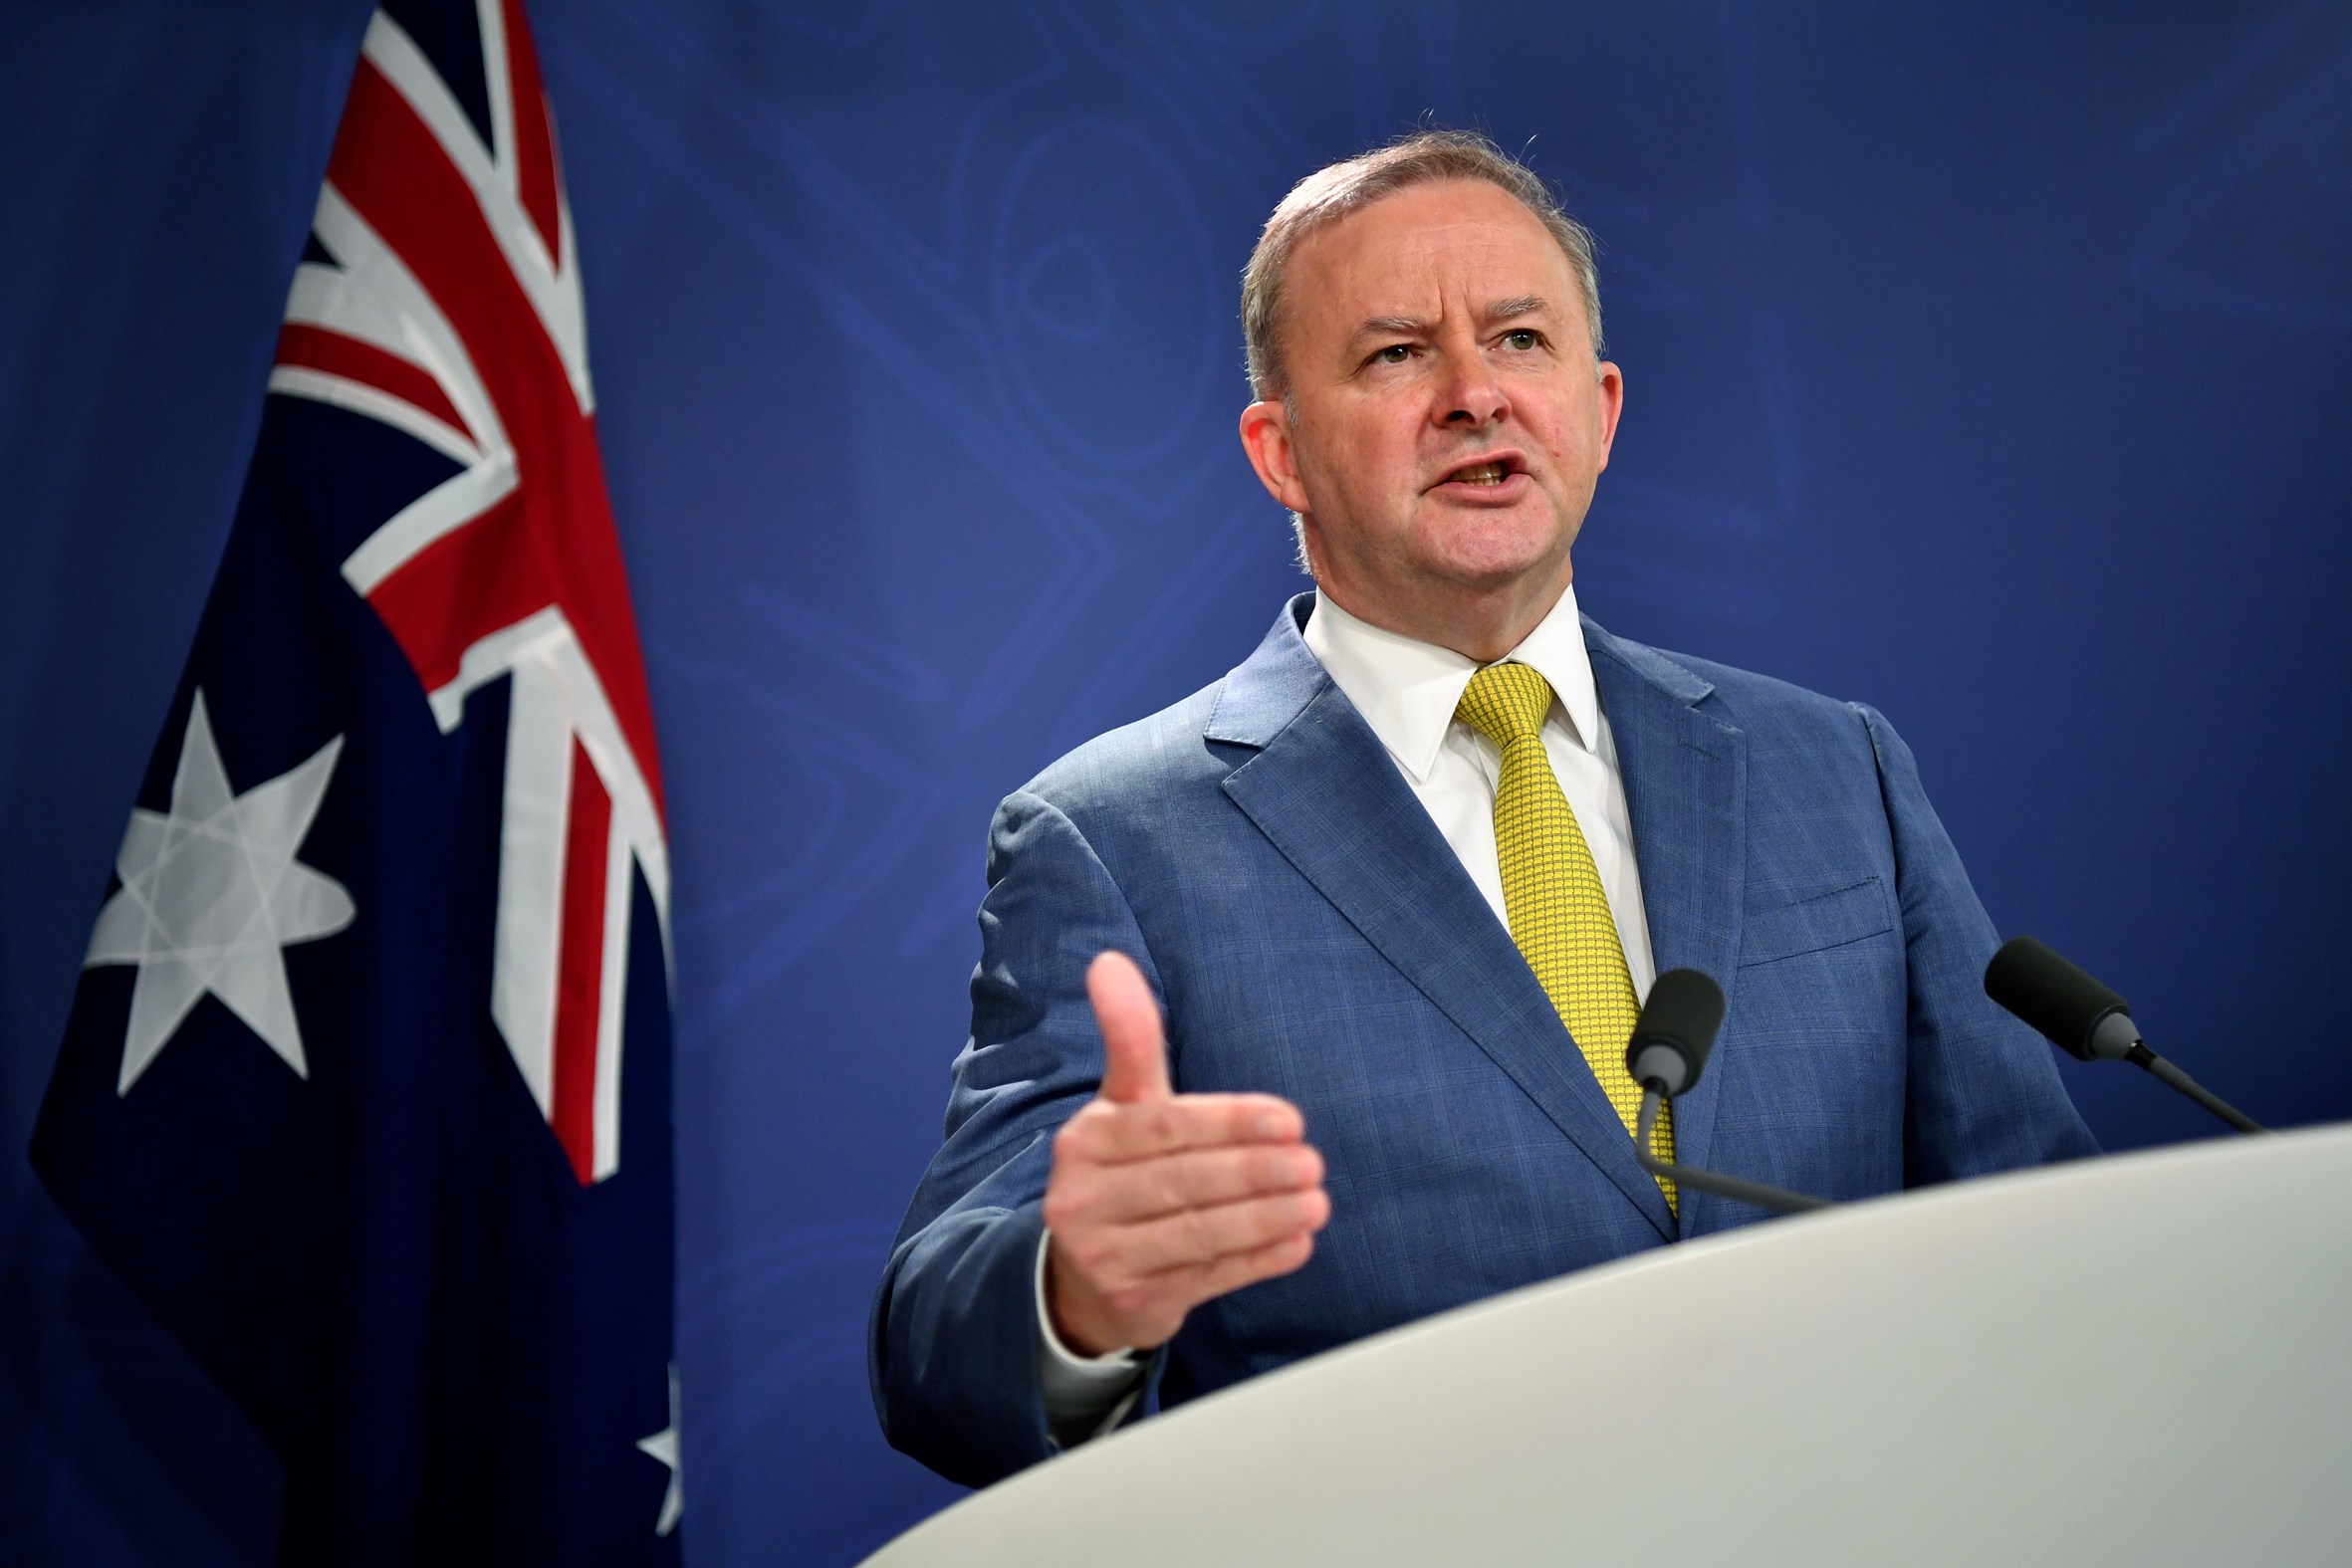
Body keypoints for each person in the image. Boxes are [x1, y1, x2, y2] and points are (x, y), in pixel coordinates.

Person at [868, 130, 2095, 1488]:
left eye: (1519, 340)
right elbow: (934, 1347)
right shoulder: (1116, 838)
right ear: (1280, 452)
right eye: (1397, 354)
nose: (1473, 396)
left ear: (1600, 410)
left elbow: (2035, 1226)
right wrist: (1075, 1294)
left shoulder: (1833, 769)